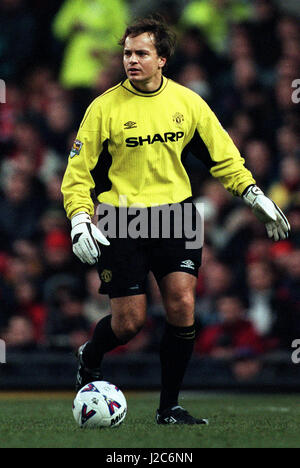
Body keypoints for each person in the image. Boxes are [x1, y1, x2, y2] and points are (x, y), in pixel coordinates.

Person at [61, 16, 290, 425]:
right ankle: (90, 354)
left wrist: (252, 193)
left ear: (162, 58)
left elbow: (224, 155)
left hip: (177, 215)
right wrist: (80, 218)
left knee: (183, 306)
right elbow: (77, 174)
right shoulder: (103, 108)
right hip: (121, 218)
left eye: (141, 53)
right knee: (129, 323)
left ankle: (169, 408)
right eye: (127, 53)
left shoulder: (188, 103)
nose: (131, 60)